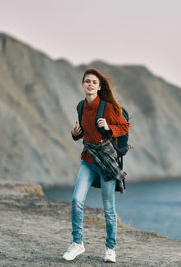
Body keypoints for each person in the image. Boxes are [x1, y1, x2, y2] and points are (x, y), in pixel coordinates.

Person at [62, 68, 130, 263]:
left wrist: (109, 127)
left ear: (99, 87)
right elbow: (85, 132)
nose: (90, 84)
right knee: (76, 200)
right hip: (87, 160)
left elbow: (125, 126)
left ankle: (110, 248)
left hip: (106, 162)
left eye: (94, 82)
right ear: (83, 85)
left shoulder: (107, 107)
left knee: (108, 209)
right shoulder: (81, 106)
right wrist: (76, 134)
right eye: (87, 81)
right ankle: (77, 244)